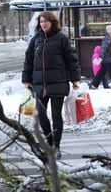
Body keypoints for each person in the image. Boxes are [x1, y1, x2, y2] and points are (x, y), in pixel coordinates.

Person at [22, 11, 81, 158]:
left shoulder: (61, 38)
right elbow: (28, 60)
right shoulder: (36, 39)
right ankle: (49, 143)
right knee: (41, 115)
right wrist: (27, 80)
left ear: (52, 22)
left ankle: (56, 146)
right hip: (39, 84)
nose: (43, 24)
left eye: (46, 22)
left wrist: (74, 79)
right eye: (41, 22)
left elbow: (71, 60)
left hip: (58, 82)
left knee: (56, 115)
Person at [89, 25, 111, 89]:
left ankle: (94, 85)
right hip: (107, 59)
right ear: (110, 31)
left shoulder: (110, 38)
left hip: (107, 58)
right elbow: (103, 48)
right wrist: (101, 56)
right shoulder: (108, 38)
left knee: (101, 72)